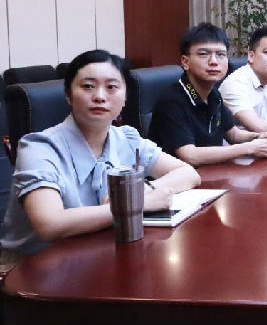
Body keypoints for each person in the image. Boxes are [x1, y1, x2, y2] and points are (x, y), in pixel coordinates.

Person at [0, 50, 201, 261]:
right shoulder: (39, 148)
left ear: (125, 98)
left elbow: (188, 173)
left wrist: (144, 192)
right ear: (68, 95)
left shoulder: (127, 138)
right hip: (31, 268)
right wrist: (132, 204)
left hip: (99, 253)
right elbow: (50, 225)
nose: (100, 96)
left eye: (112, 87)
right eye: (88, 86)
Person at [148, 23, 267, 167]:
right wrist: (249, 148)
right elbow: (190, 156)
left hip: (212, 173)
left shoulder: (213, 94)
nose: (214, 61)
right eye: (203, 54)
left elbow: (233, 134)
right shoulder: (171, 100)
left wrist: (259, 137)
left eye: (220, 54)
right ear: (185, 62)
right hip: (180, 178)